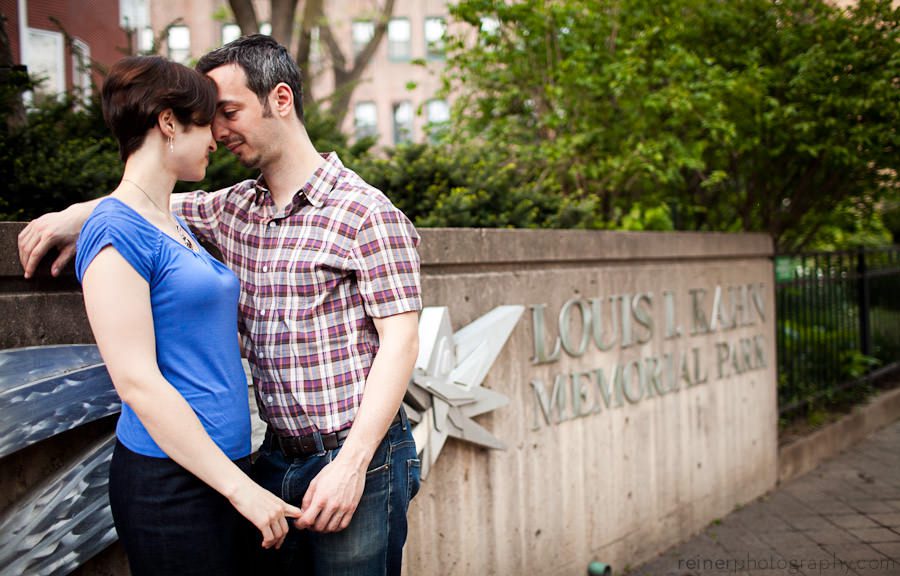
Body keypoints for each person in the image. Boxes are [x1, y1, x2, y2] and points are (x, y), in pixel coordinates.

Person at [19, 36, 423, 575]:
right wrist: (76, 213)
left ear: (280, 99)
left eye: (227, 112)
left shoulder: (367, 213)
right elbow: (147, 202)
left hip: (356, 463)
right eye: (208, 118)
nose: (217, 131)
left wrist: (352, 463)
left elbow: (401, 342)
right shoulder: (233, 209)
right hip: (272, 461)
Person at [72, 55, 301, 576]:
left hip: (222, 470)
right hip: (171, 484)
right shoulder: (115, 230)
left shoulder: (171, 221)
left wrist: (236, 479)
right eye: (204, 123)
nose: (216, 138)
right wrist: (240, 488)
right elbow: (137, 383)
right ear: (168, 122)